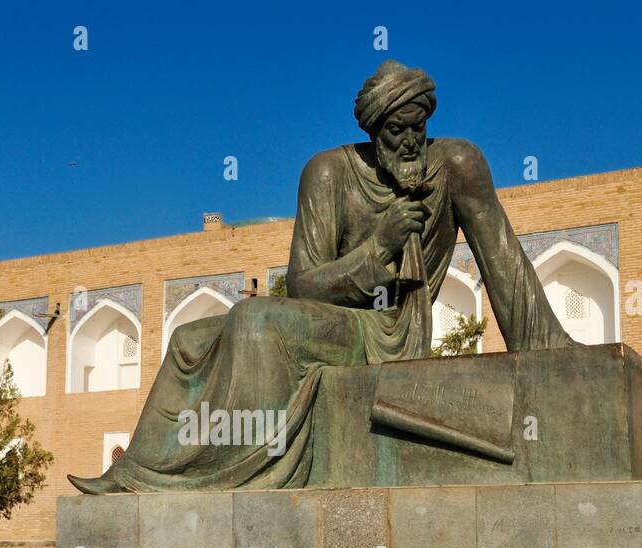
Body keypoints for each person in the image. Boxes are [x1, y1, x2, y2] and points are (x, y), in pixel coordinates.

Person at [69, 60, 573, 494]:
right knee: (187, 338)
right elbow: (305, 284)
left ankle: (219, 471)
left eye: (418, 126)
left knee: (255, 320)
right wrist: (380, 248)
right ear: (374, 132)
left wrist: (554, 355)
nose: (412, 141)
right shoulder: (328, 173)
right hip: (336, 320)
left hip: (385, 332)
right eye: (398, 130)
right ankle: (143, 472)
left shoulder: (456, 165)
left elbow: (507, 268)